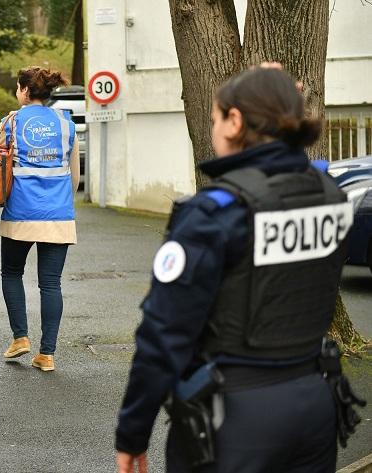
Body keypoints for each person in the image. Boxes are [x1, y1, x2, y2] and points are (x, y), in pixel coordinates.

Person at [115, 67, 365, 472]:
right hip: (314, 403)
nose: (212, 131)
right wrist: (277, 95)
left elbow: (164, 334)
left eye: (214, 119)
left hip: (235, 419)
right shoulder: (329, 196)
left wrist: (133, 433)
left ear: (234, 122)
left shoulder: (214, 213)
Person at [0, 66, 80, 372]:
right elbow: (74, 174)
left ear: (25, 91)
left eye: (18, 87)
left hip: (20, 212)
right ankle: (47, 354)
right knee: (50, 283)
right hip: (59, 213)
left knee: (11, 273)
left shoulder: (12, 120)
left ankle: (21, 338)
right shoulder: (66, 123)